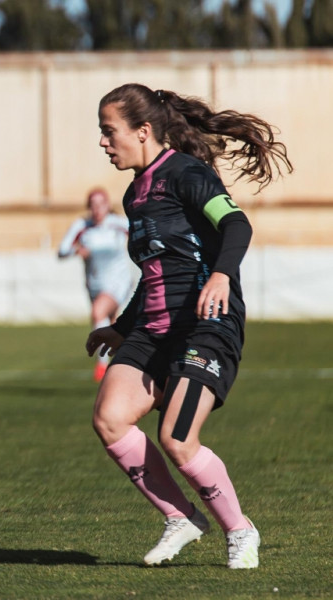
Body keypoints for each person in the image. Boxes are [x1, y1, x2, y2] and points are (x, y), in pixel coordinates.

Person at [85, 83, 291, 569]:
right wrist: (122, 326)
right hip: (153, 328)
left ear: (143, 131)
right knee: (110, 418)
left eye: (108, 131)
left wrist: (221, 274)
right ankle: (181, 518)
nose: (102, 142)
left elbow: (236, 225)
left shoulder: (187, 173)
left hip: (204, 325)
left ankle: (240, 531)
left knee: (177, 438)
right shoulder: (135, 192)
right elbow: (156, 268)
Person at [58, 187, 132, 382]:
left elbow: (143, 234)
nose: (98, 209)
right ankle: (123, 365)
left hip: (118, 282)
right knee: (114, 324)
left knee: (98, 313)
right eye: (93, 205)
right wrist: (77, 251)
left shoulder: (118, 224)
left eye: (101, 204)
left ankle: (101, 364)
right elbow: (62, 250)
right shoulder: (82, 226)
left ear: (107, 206)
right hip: (94, 283)